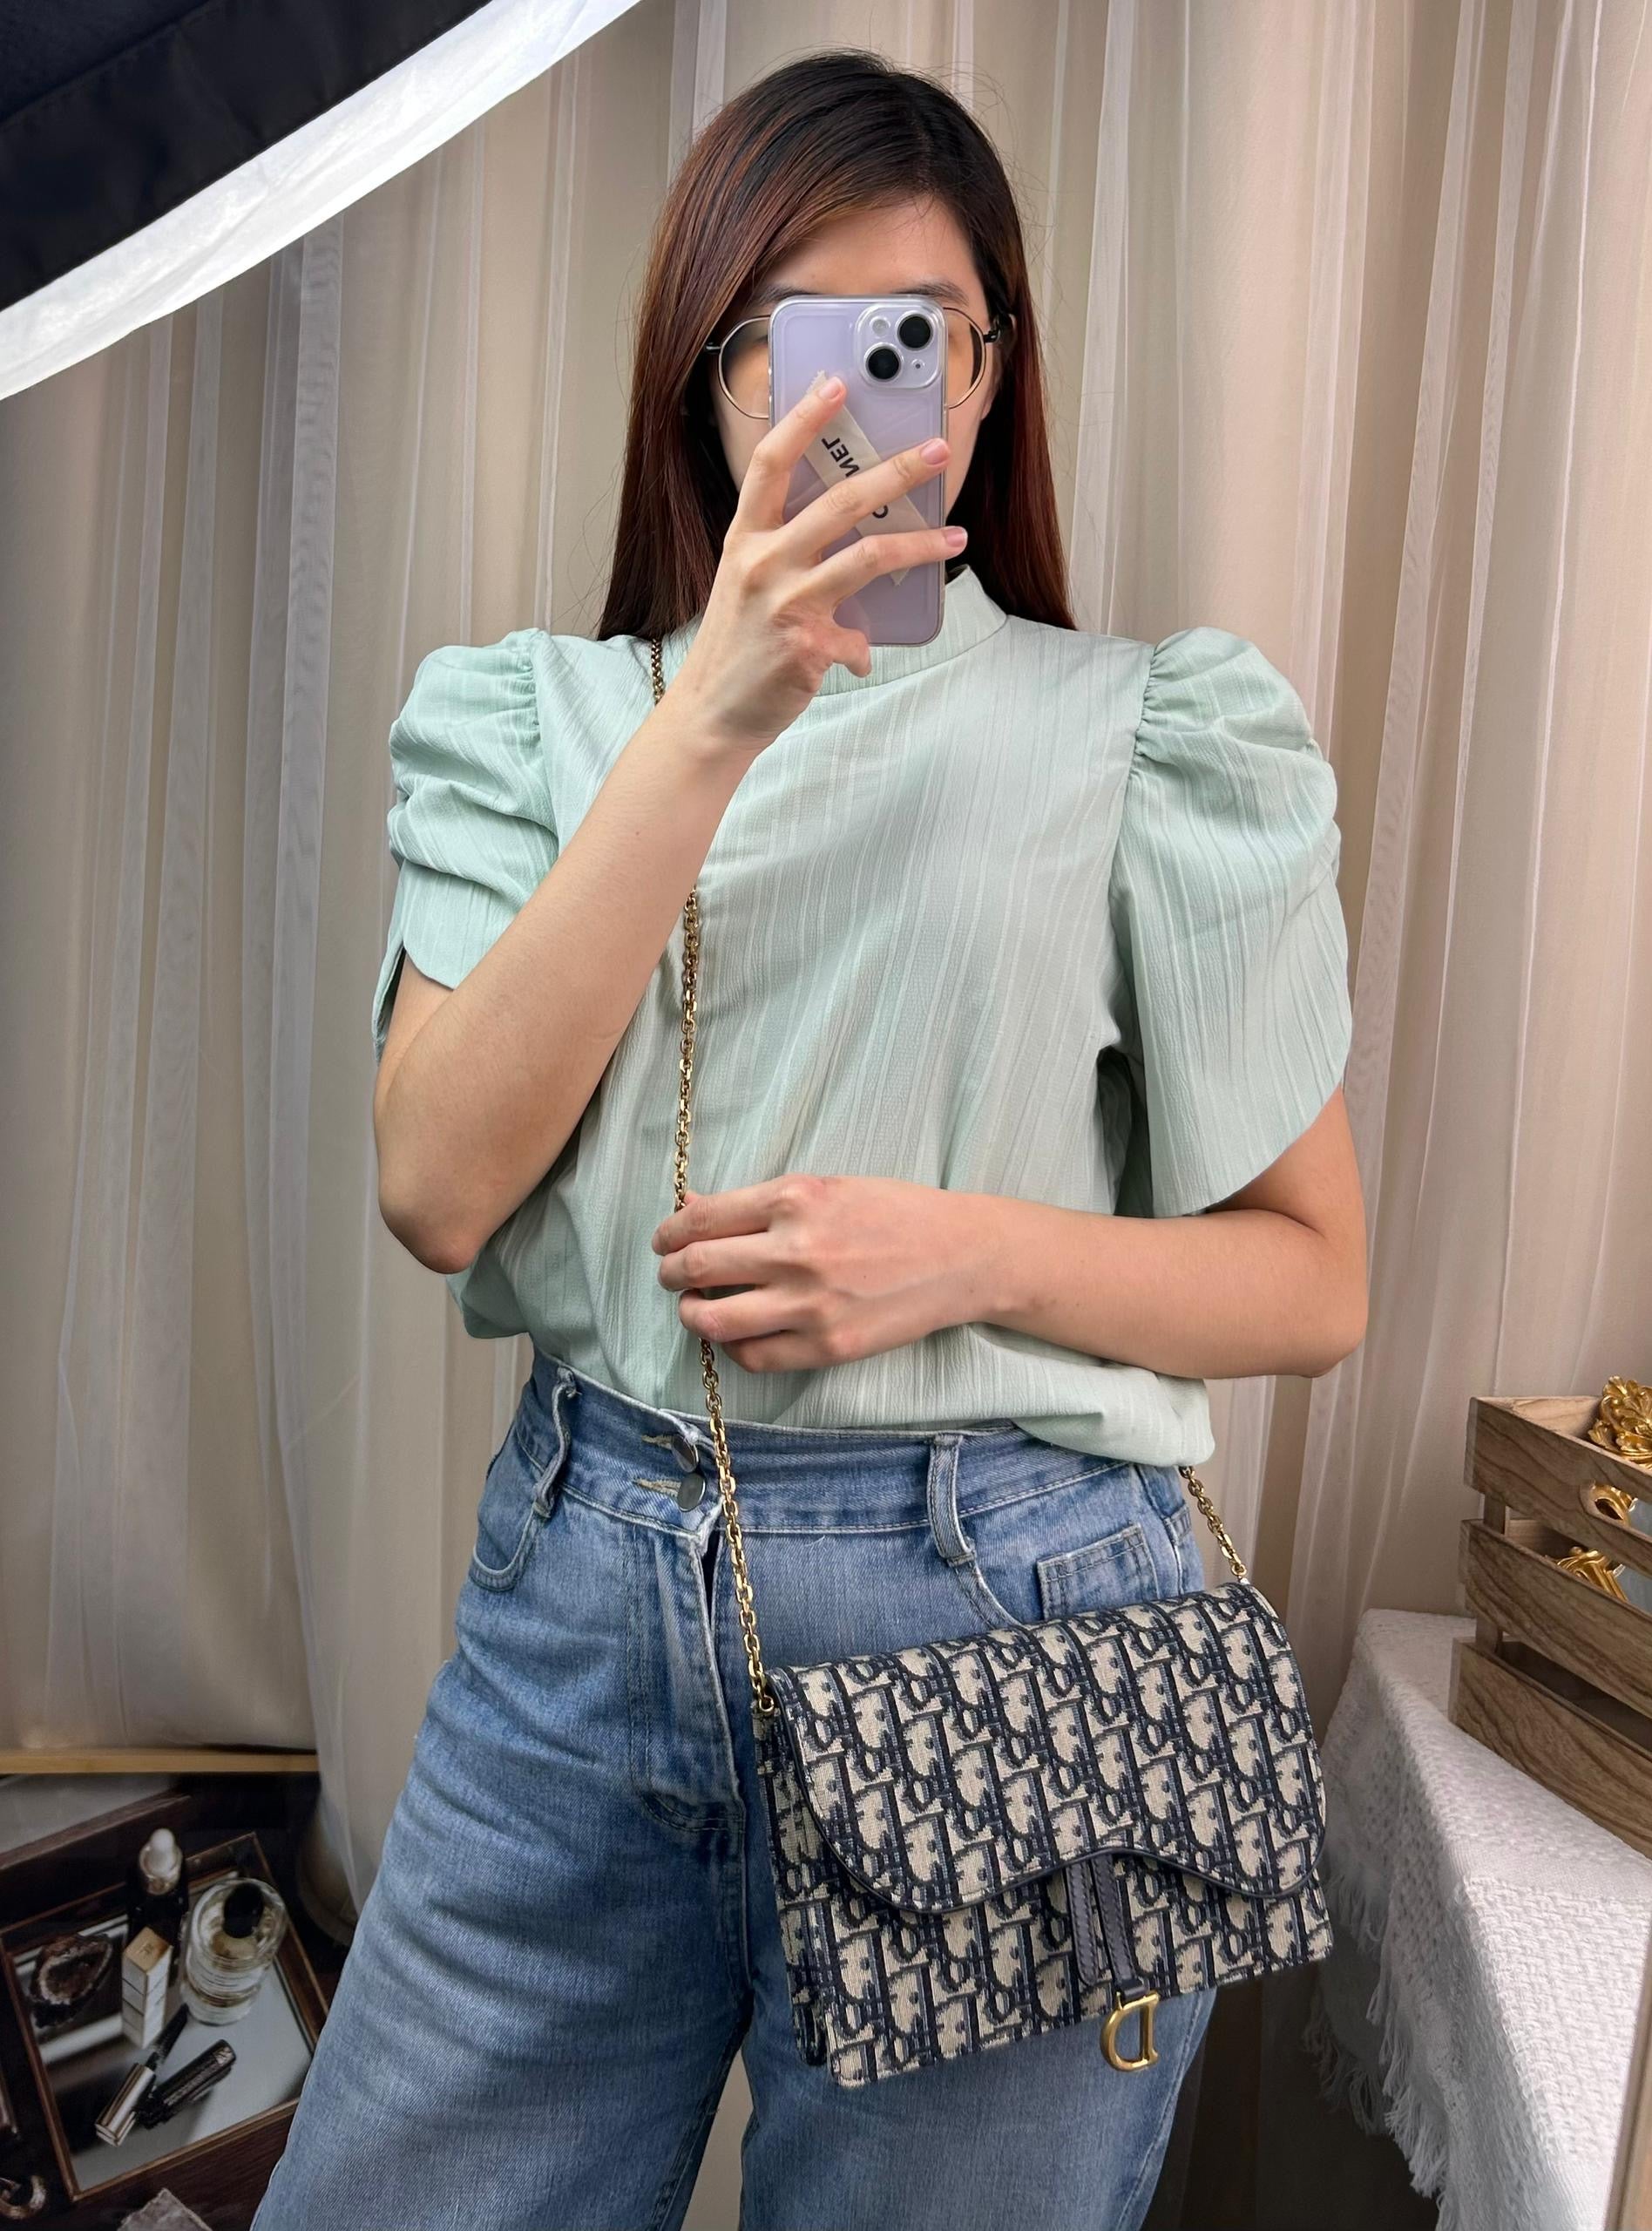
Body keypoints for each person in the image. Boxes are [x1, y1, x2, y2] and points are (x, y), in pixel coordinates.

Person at [252, 46, 1365, 2231]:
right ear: (708, 373)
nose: (855, 395)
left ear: (991, 372)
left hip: (1014, 1620)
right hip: (587, 1611)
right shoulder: (535, 718)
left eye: (914, 334)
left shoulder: (1152, 729)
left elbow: (1314, 1274)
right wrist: (717, 713)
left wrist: (960, 1252)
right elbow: (435, 1186)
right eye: (796, 338)